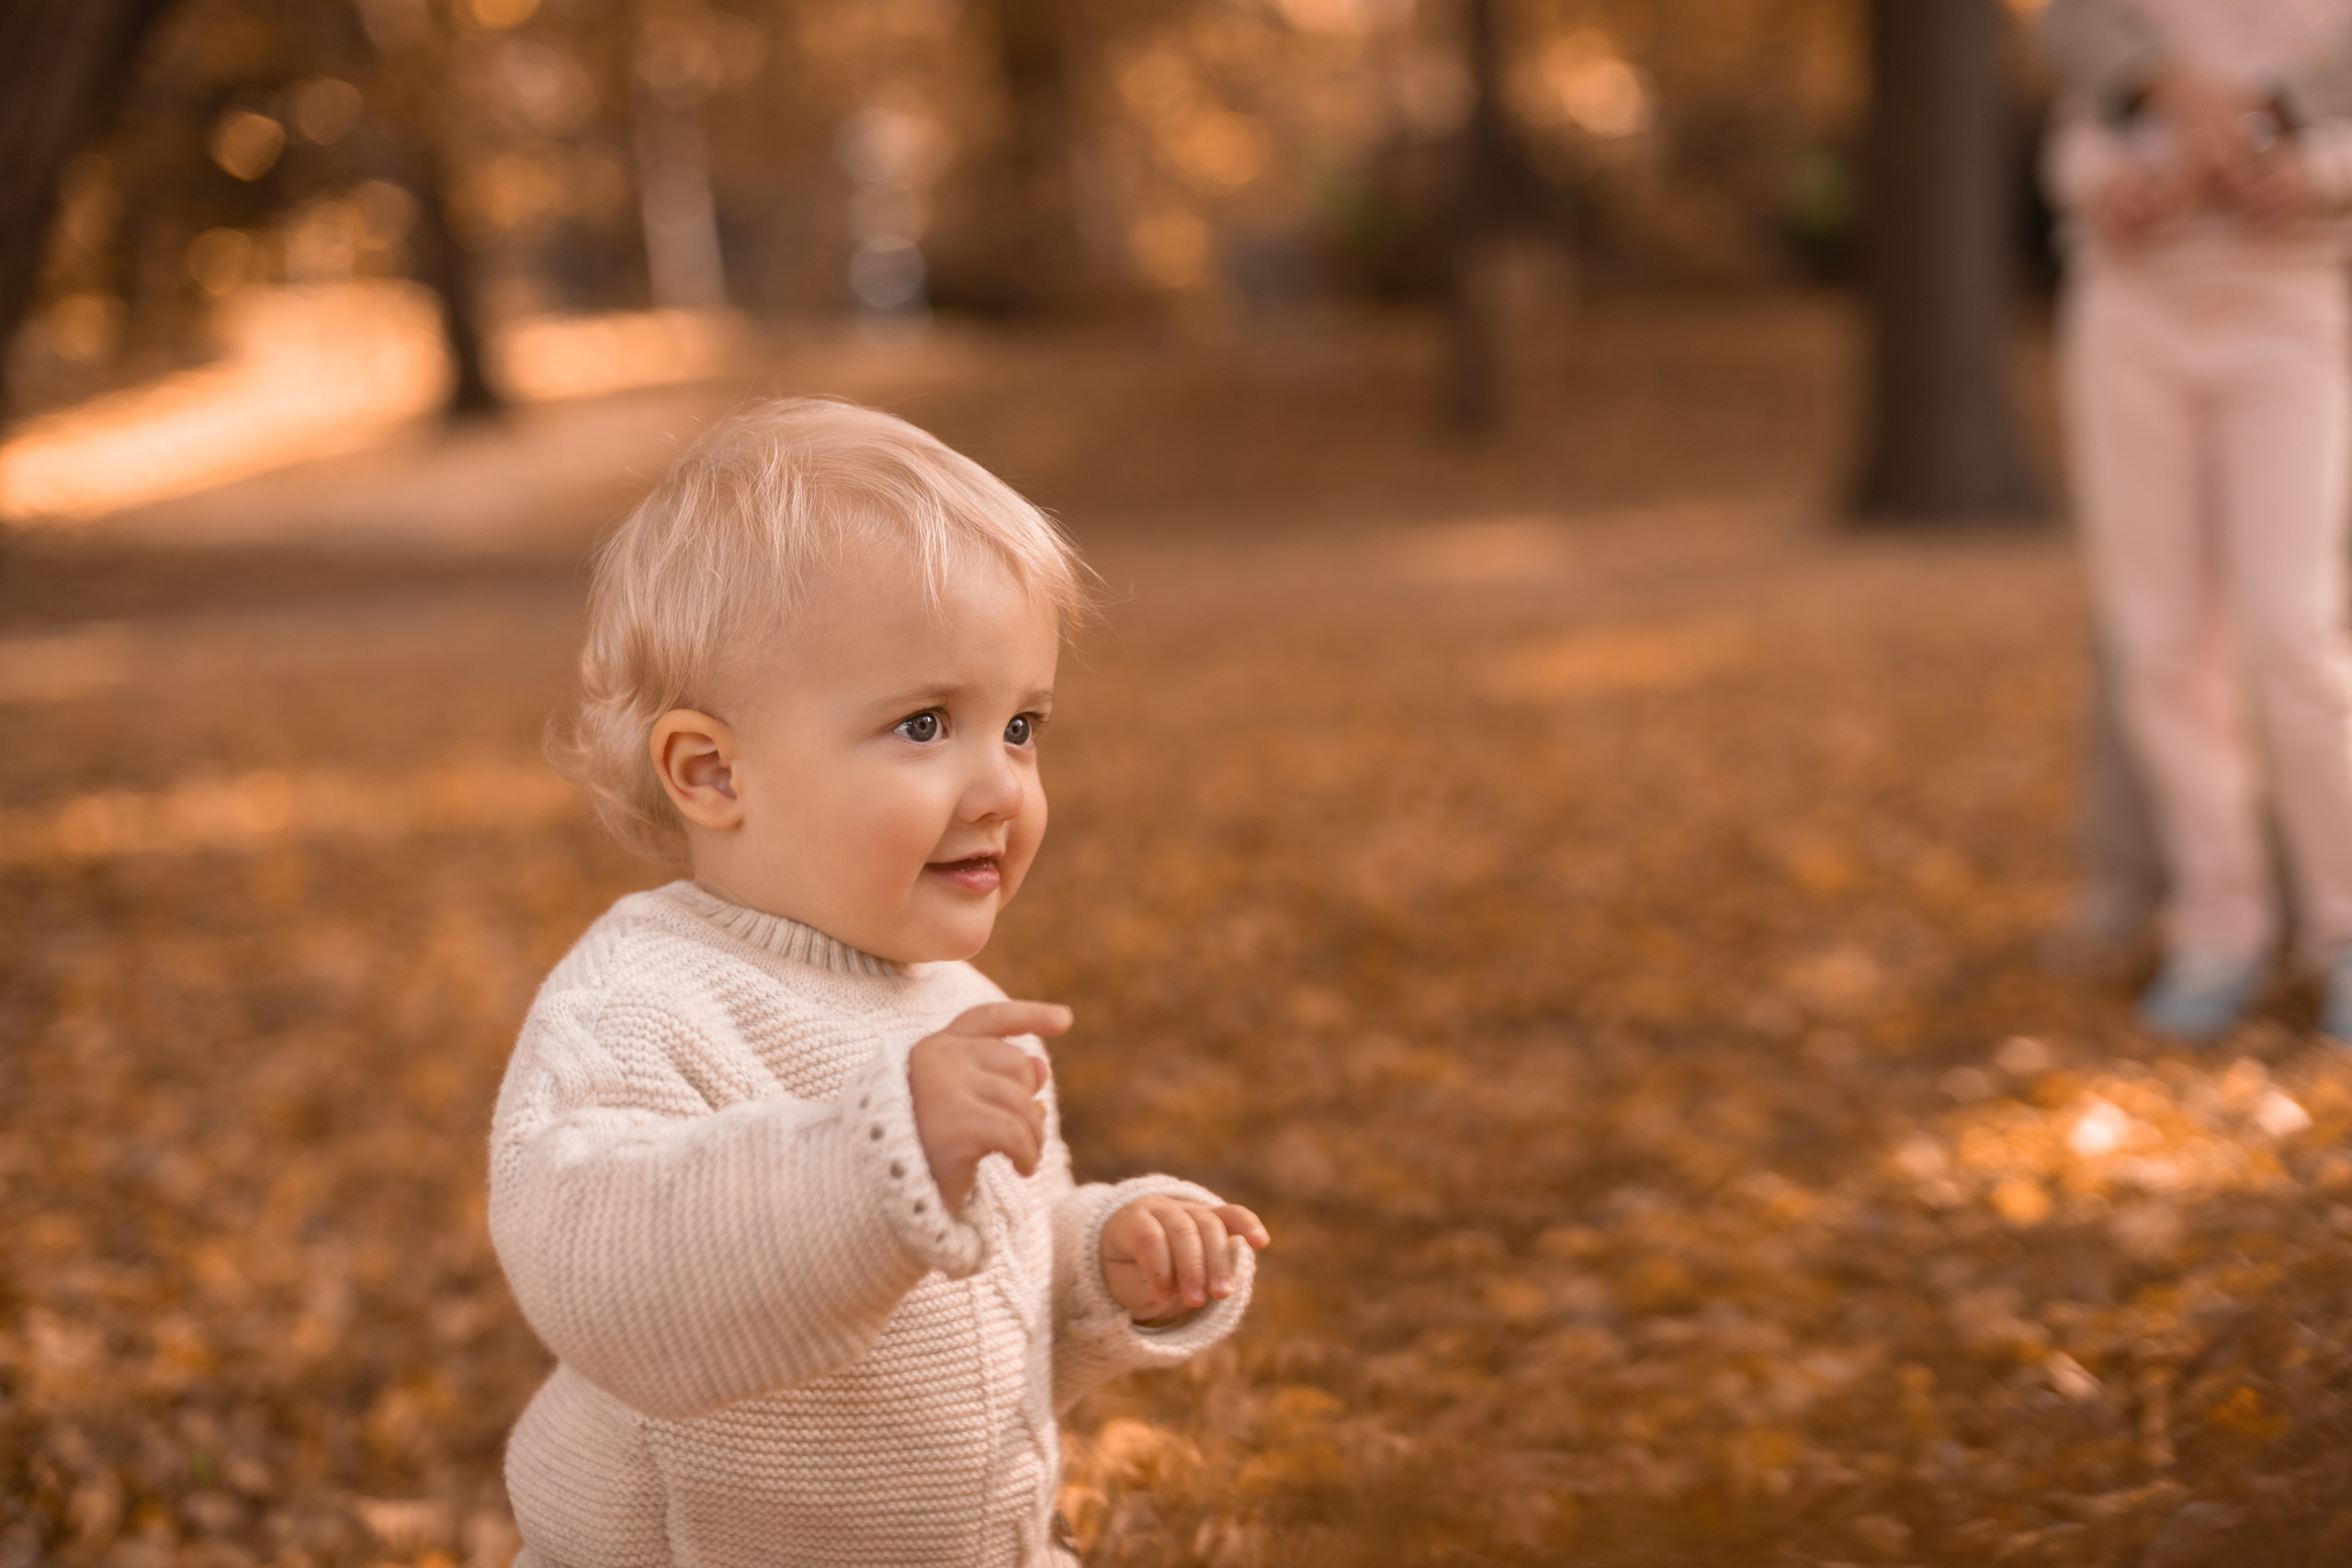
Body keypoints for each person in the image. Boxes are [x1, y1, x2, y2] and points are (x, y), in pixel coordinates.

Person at [491, 398, 1271, 1565]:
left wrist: (1103, 1260)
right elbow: (606, 1280)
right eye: (922, 725)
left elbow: (968, 1303)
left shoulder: (951, 1004)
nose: (1001, 784)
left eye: (1020, 726)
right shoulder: (643, 1001)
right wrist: (874, 1157)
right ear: (711, 772)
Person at [2041, 0, 2352, 1040]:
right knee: (2162, 643)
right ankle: (2218, 928)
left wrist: (2305, 177)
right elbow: (2071, 150)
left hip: (2287, 315)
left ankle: (2343, 931)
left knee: (2292, 633)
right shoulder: (2109, 14)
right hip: (2130, 315)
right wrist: (2116, 188)